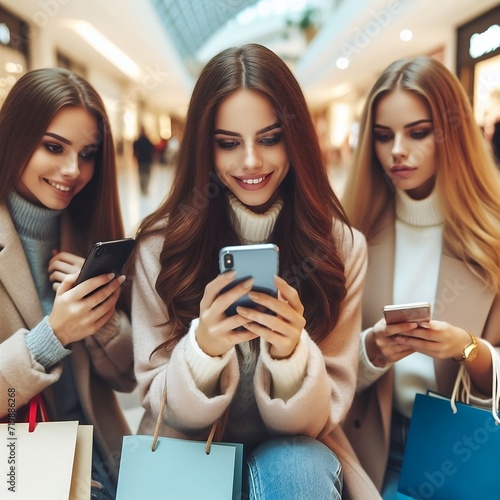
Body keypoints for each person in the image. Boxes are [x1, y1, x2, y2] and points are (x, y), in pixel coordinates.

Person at [130, 43, 380, 499]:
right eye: (228, 143)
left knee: (298, 465)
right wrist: (203, 349)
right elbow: (160, 404)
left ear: (297, 138)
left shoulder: (341, 247)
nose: (250, 162)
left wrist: (290, 357)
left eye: (269, 138)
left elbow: (322, 418)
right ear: (204, 149)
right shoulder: (161, 246)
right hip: (187, 449)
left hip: (295, 452)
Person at [341, 56, 500, 498]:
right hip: (368, 448)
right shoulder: (349, 235)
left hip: (468, 450)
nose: (396, 150)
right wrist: (371, 351)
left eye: (418, 132)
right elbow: (319, 371)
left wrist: (469, 349)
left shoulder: (493, 238)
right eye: (382, 135)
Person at [0, 68, 136, 499]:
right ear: (15, 137)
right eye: (54, 147)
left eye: (88, 153)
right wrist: (52, 335)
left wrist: (103, 317)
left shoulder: (89, 233)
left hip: (102, 457)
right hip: (23, 468)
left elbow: (128, 377)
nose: (73, 170)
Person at [133, 126, 155, 195]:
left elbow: (135, 150)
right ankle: (145, 189)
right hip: (146, 160)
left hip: (141, 161)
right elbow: (152, 149)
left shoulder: (138, 141)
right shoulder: (147, 140)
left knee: (142, 175)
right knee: (146, 175)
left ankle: (143, 189)